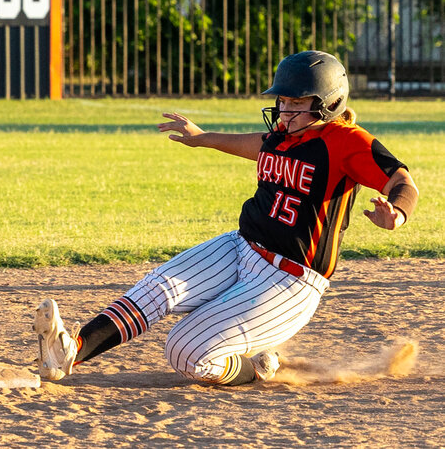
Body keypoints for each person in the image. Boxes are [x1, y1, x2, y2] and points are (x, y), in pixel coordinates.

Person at [34, 51, 419, 386]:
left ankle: (257, 368)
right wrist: (202, 137)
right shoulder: (285, 132)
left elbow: (402, 180)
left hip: (290, 280)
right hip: (240, 247)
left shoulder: (347, 141)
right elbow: (256, 145)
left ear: (328, 104)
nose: (284, 110)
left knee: (185, 351)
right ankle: (71, 351)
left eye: (295, 102)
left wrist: (397, 213)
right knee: (158, 288)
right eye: (282, 101)